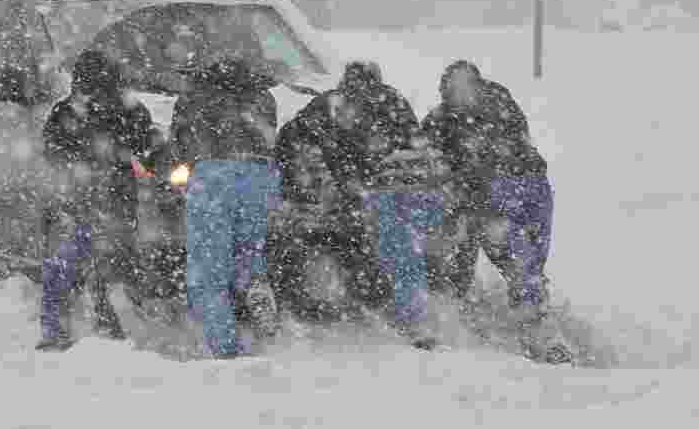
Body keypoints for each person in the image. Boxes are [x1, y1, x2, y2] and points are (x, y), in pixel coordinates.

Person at [275, 60, 451, 349]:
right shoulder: (391, 102)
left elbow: (290, 138)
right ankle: (402, 311)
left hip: (375, 192)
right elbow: (415, 149)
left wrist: (307, 185)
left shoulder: (332, 105)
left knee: (389, 250)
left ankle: (389, 307)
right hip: (381, 192)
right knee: (400, 253)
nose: (359, 104)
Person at [421, 60, 571, 364]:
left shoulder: (485, 113)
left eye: (462, 91)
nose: (459, 99)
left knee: (515, 262)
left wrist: (464, 185)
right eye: (452, 92)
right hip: (507, 196)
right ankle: (536, 333)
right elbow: (428, 157)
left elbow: (499, 161)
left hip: (509, 198)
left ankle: (537, 335)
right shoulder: (460, 115)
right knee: (516, 266)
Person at [35, 49, 163, 352]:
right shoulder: (132, 111)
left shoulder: (64, 112)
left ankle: (55, 331)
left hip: (74, 201)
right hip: (117, 202)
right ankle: (113, 326)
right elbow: (150, 151)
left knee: (61, 268)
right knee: (116, 266)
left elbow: (52, 156)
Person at [168, 55, 283, 359]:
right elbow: (270, 138)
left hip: (211, 178)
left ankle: (224, 346)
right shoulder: (263, 96)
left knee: (209, 268)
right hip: (258, 176)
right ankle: (255, 286)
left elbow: (177, 145)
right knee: (248, 251)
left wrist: (178, 176)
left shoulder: (193, 97)